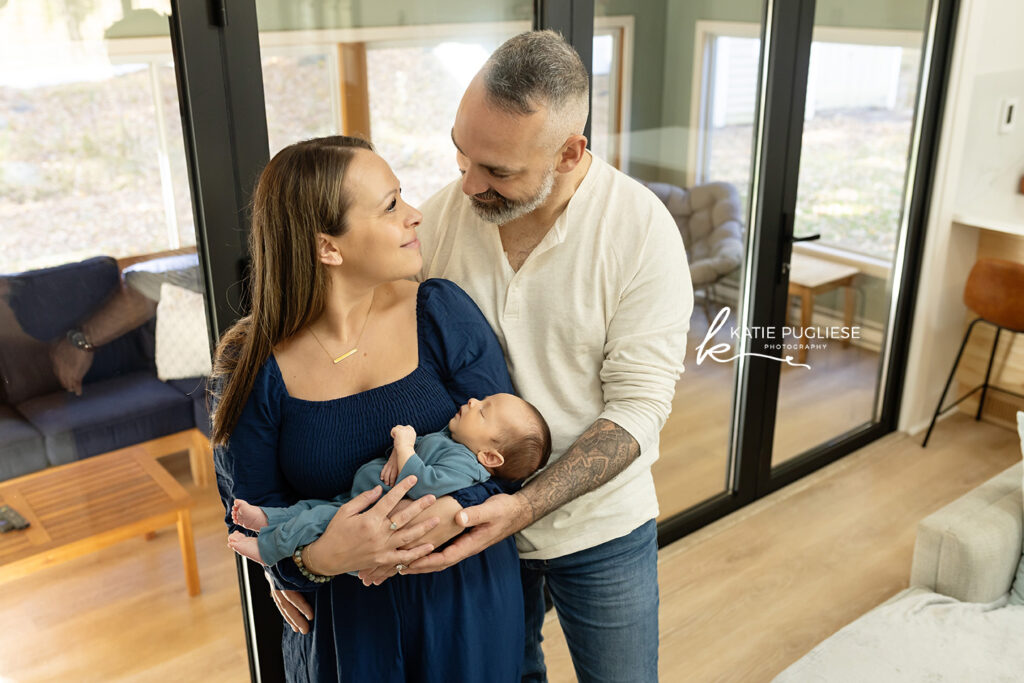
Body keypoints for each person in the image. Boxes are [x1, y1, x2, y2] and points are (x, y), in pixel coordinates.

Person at [407, 30, 693, 682]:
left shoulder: (640, 232)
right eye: (461, 155)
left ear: (569, 152)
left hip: (601, 528)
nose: (469, 183)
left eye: (499, 171)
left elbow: (639, 406)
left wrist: (525, 505)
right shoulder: (447, 215)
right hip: (472, 522)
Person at [211, 135, 526, 682]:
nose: (416, 216)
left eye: (402, 197)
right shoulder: (251, 367)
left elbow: (508, 461)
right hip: (347, 633)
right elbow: (250, 516)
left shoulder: (440, 312)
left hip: (465, 607)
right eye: (391, 206)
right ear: (328, 247)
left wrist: (438, 521)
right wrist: (319, 560)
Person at [227, 393, 552, 566]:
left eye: (483, 411)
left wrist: (404, 445)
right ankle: (267, 518)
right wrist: (401, 452)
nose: (472, 401)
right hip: (361, 497)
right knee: (312, 508)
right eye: (481, 399)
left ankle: (268, 548)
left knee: (316, 518)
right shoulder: (457, 445)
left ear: (491, 458)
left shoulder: (466, 466)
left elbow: (424, 482)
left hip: (370, 517)